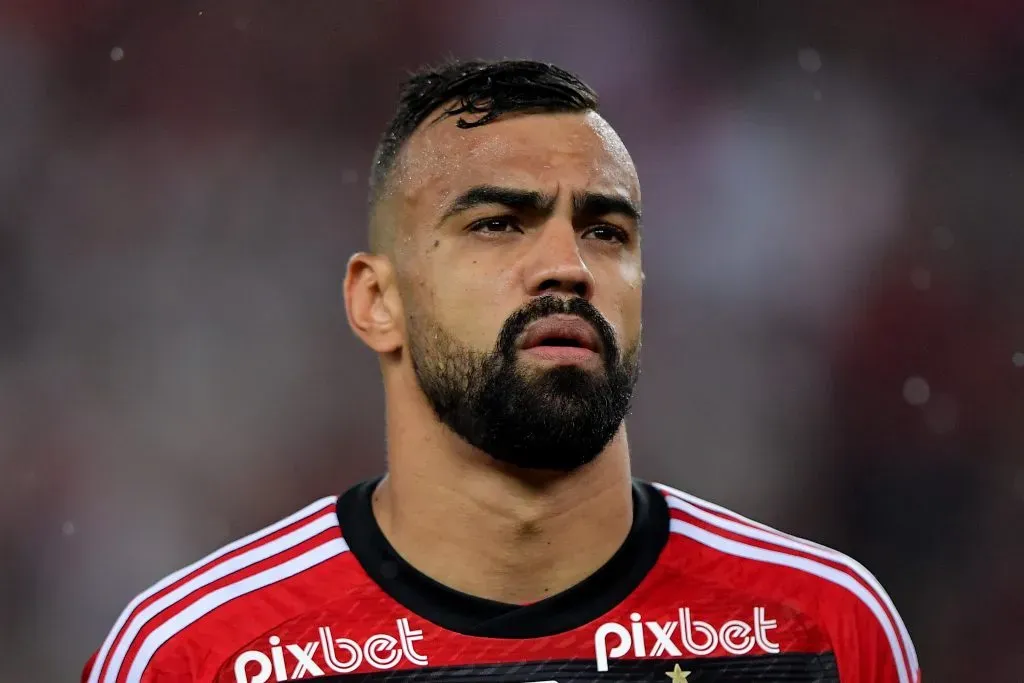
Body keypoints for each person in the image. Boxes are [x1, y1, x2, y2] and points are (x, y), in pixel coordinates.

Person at [82, 59, 921, 683]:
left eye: (605, 232)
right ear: (378, 301)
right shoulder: (200, 654)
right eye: (498, 223)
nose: (567, 264)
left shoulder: (822, 630)